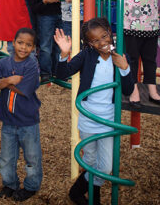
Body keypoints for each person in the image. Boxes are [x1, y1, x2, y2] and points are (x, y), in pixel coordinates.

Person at [54, 18, 134, 205]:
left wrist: (124, 68)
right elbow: (62, 74)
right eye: (95, 40)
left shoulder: (120, 56)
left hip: (108, 119)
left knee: (105, 167)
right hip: (88, 117)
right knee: (89, 160)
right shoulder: (86, 55)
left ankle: (76, 191)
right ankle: (93, 198)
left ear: (110, 32)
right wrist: (64, 54)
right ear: (89, 43)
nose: (102, 42)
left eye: (104, 36)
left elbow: (129, 90)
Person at [0, 28, 42, 202]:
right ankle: (10, 184)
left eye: (28, 45)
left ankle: (31, 186)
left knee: (32, 157)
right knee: (6, 157)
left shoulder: (32, 64)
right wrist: (9, 80)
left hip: (28, 121)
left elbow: (24, 88)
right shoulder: (4, 63)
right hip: (8, 121)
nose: (23, 47)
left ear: (33, 48)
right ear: (13, 42)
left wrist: (3, 83)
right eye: (20, 42)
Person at [25, 0, 62, 83]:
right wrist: (45, 1)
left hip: (59, 14)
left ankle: (57, 70)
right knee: (46, 45)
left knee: (58, 44)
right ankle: (45, 72)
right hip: (44, 17)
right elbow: (34, 7)